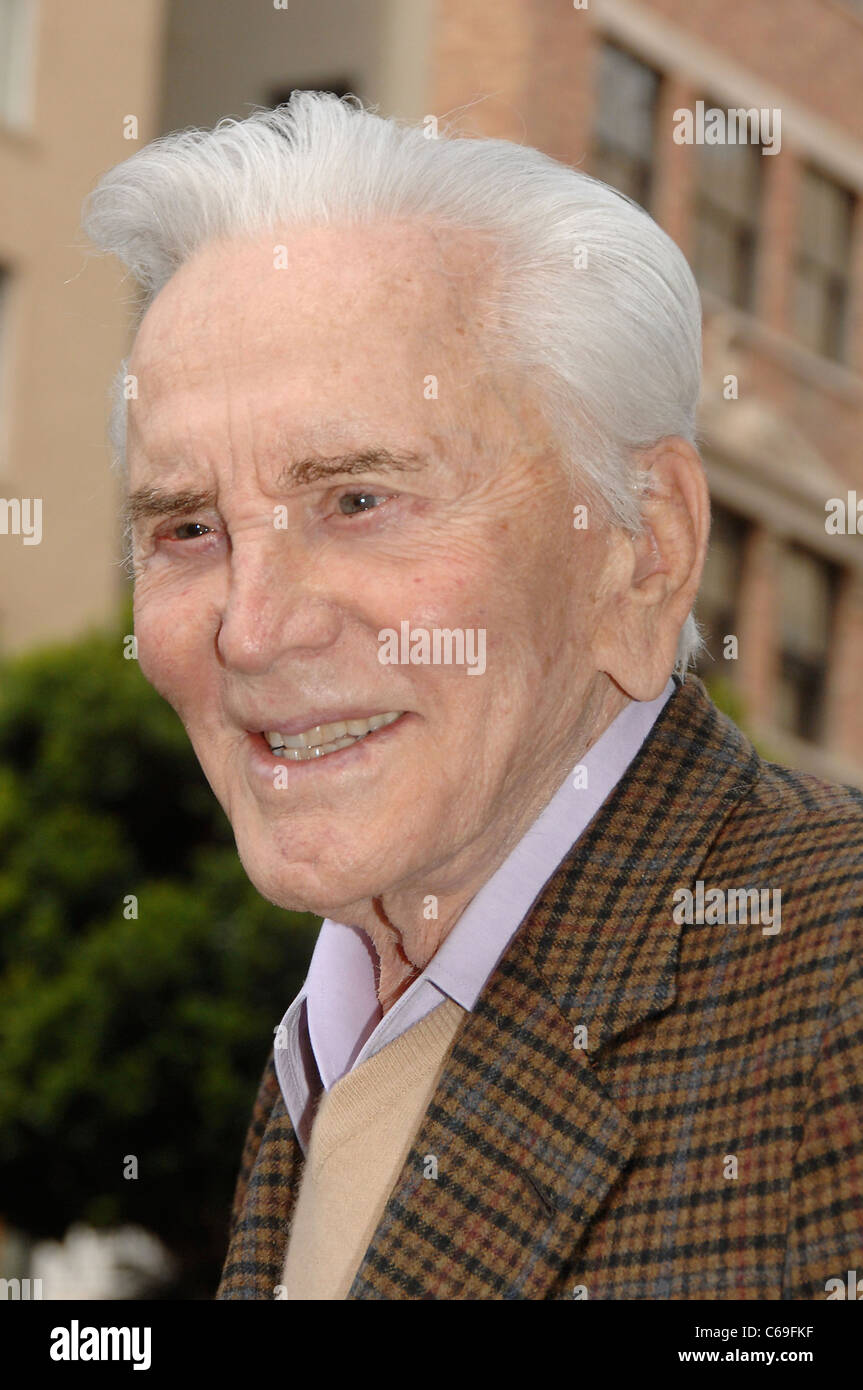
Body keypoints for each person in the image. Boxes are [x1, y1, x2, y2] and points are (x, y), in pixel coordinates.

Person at [82, 92, 863, 1300]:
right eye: (188, 527)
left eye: (357, 500)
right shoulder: (340, 1030)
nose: (250, 625)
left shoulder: (832, 1006)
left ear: (640, 550)